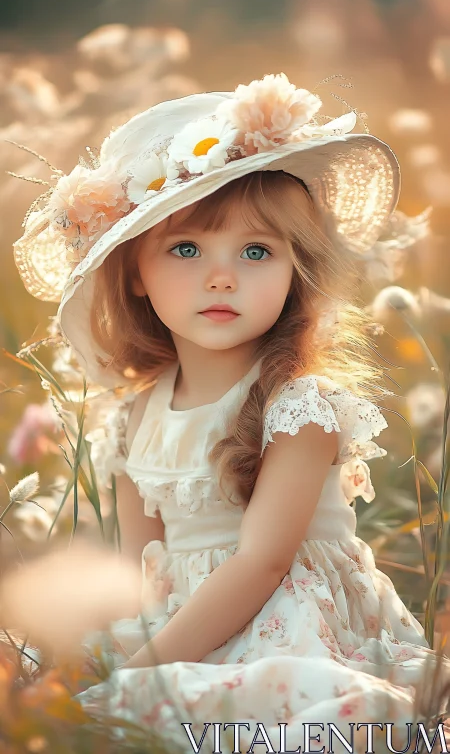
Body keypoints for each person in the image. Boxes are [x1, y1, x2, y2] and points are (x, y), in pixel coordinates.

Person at [13, 73, 450, 752]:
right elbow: (140, 571)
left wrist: (145, 672)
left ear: (295, 268)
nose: (222, 277)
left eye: (256, 252)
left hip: (290, 628)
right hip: (177, 627)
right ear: (133, 272)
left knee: (292, 719)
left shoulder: (298, 406)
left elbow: (262, 563)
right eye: (186, 249)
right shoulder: (133, 418)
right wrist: (119, 654)